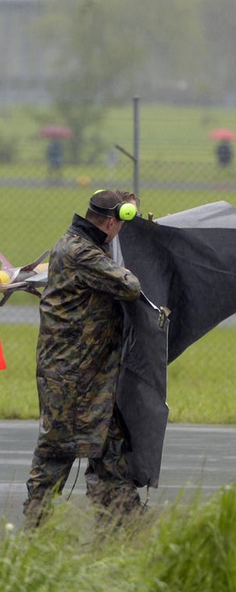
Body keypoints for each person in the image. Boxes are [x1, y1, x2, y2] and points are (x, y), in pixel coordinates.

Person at [23, 189, 144, 528]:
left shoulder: (78, 242)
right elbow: (130, 285)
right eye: (119, 224)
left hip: (90, 375)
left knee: (110, 448)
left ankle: (124, 524)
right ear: (109, 222)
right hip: (70, 376)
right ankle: (36, 527)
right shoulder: (81, 253)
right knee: (56, 453)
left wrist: (130, 205)